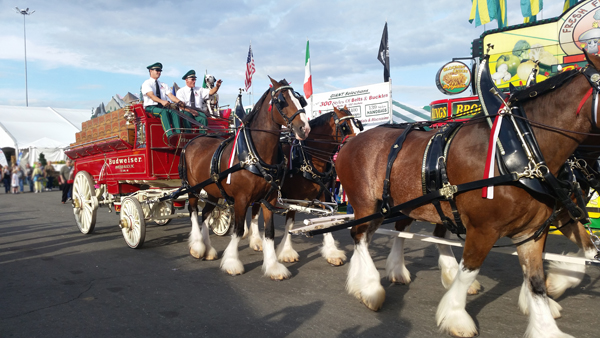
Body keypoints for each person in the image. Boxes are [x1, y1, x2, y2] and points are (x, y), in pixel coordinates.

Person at [141, 62, 186, 137]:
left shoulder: (163, 85)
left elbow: (171, 96)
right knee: (163, 112)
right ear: (150, 71)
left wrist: (180, 102)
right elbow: (151, 95)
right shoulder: (146, 83)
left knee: (174, 112)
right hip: (151, 108)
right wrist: (162, 101)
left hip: (162, 107)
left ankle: (178, 135)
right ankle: (169, 135)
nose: (159, 72)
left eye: (160, 71)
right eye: (157, 70)